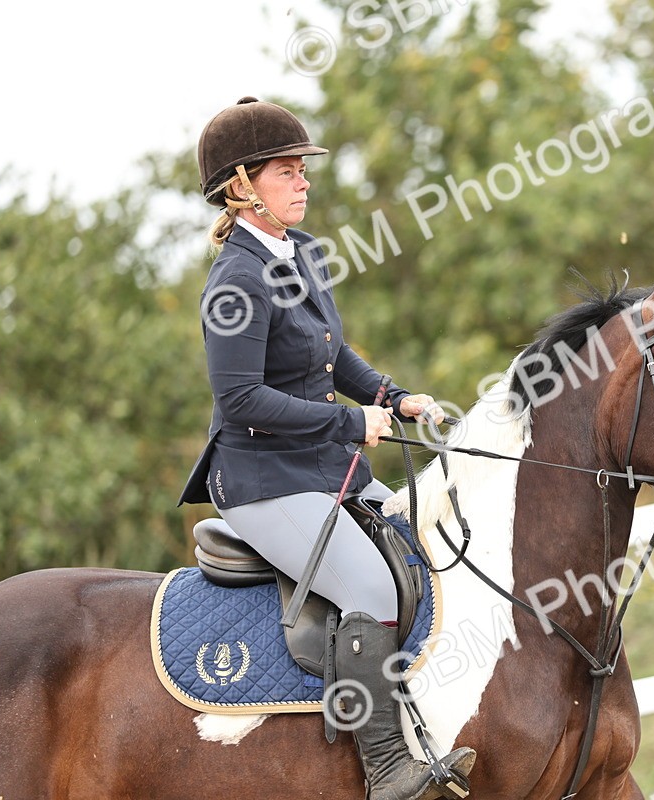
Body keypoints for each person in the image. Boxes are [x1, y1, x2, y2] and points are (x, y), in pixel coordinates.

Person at [178, 96, 474, 800]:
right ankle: (387, 769)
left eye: (302, 169)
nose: (304, 181)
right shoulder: (234, 283)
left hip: (323, 467)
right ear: (243, 186)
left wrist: (392, 397)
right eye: (287, 171)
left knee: (422, 551)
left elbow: (332, 354)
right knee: (370, 590)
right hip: (262, 480)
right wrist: (348, 424)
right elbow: (241, 400)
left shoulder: (302, 252)